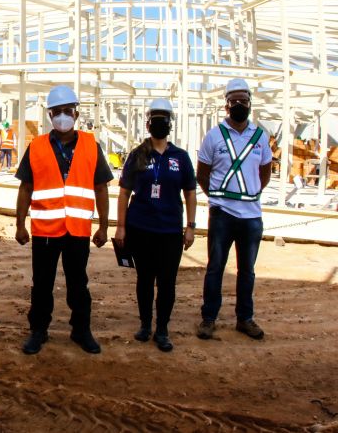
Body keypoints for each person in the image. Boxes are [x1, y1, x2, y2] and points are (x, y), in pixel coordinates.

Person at [15, 85, 113, 355]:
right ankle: (38, 330)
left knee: (78, 284)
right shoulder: (36, 146)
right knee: (42, 284)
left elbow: (101, 188)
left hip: (78, 230)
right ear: (49, 115)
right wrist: (20, 224)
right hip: (45, 229)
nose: (62, 117)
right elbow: (25, 188)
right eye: (56, 112)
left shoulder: (91, 145)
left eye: (67, 111)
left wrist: (104, 226)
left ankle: (81, 330)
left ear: (77, 114)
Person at [113, 98, 197, 352]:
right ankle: (145, 324)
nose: (159, 123)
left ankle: (162, 329)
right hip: (141, 228)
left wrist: (191, 227)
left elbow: (191, 193)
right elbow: (124, 193)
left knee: (167, 282)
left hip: (170, 231)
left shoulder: (180, 158)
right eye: (155, 118)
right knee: (145, 279)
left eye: (164, 118)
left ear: (170, 123)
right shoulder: (137, 155)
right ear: (147, 122)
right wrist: (121, 226)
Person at [196, 78, 272, 341]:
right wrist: (219, 199)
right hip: (222, 214)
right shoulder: (214, 136)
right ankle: (209, 318)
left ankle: (245, 318)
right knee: (215, 267)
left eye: (243, 101)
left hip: (251, 216)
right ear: (226, 106)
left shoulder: (260, 137)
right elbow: (202, 174)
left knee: (247, 270)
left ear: (250, 104)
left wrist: (248, 194)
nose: (239, 105)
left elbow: (265, 173)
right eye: (234, 102)